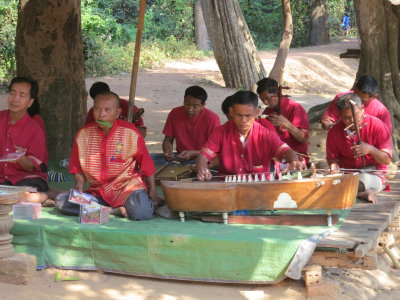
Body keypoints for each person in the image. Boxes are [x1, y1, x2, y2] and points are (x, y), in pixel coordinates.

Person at [57, 91, 165, 220]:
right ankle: (112, 211)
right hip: (98, 192)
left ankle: (100, 210)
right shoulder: (83, 135)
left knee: (141, 212)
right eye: (97, 109)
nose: (101, 114)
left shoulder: (130, 132)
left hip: (127, 188)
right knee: (62, 201)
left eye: (107, 110)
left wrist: (152, 191)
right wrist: (79, 185)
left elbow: (147, 164)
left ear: (118, 112)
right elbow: (77, 167)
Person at [197, 90, 304, 181]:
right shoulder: (220, 132)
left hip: (258, 189)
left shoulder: (265, 134)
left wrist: (294, 160)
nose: (243, 121)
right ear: (231, 111)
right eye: (239, 115)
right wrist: (202, 168)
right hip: (227, 188)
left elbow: (284, 150)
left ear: (256, 112)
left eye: (248, 116)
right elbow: (204, 155)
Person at [326, 93, 392, 203]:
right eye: (347, 118)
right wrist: (334, 167)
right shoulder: (334, 131)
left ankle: (356, 191)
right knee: (323, 181)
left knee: (360, 182)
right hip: (347, 176)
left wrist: (371, 149)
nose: (352, 121)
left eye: (355, 115)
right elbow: (333, 158)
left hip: (374, 175)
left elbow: (386, 160)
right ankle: (360, 193)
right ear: (340, 115)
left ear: (362, 109)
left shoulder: (377, 125)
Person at [0, 77, 49, 204]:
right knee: (10, 196)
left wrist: (21, 159)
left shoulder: (35, 130)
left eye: (22, 95)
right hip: (2, 179)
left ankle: (46, 196)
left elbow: (33, 168)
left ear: (30, 102)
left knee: (23, 196)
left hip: (24, 178)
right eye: (12, 93)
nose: (15, 99)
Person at [256, 78, 310, 164]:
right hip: (277, 158)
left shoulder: (294, 108)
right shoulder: (267, 112)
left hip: (296, 159)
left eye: (268, 98)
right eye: (262, 100)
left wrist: (287, 124)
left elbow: (304, 139)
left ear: (277, 93)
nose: (266, 103)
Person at [160, 85, 220, 163]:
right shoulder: (175, 113)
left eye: (195, 106)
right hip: (180, 156)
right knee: (150, 159)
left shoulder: (212, 118)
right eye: (187, 104)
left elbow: (215, 150)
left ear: (203, 105)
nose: (190, 109)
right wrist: (167, 152)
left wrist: (193, 153)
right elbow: (168, 139)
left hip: (203, 158)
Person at [320, 75, 392, 132]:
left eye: (362, 100)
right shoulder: (343, 98)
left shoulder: (381, 112)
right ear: (355, 88)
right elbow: (327, 119)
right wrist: (331, 126)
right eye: (356, 96)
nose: (356, 101)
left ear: (374, 97)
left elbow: (385, 137)